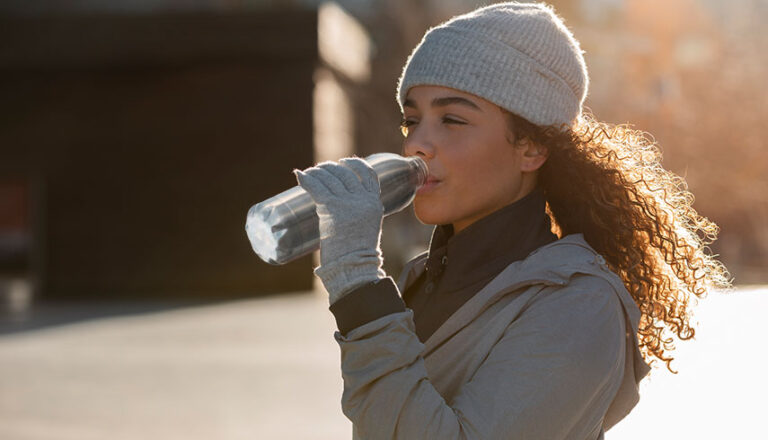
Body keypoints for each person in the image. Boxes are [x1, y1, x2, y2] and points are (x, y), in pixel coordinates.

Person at [293, 2, 731, 439]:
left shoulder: (578, 302)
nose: (416, 146)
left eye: (452, 120)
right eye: (412, 120)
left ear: (530, 149)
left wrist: (357, 280)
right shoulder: (419, 281)